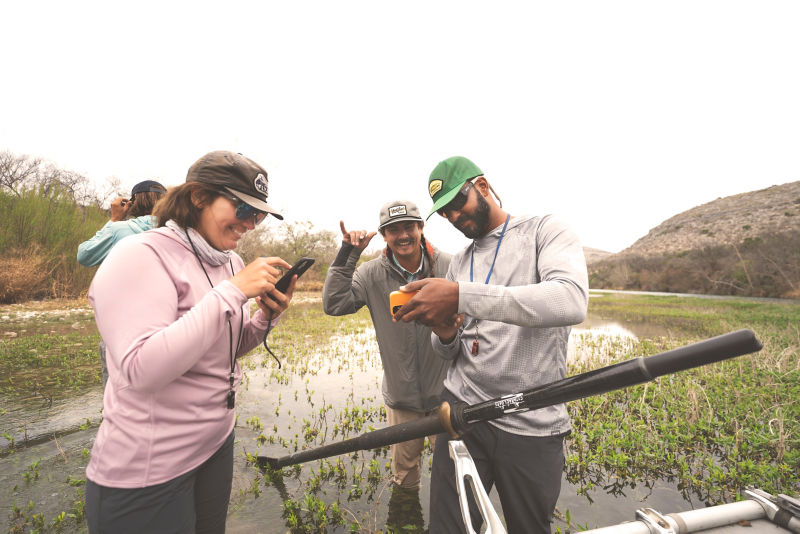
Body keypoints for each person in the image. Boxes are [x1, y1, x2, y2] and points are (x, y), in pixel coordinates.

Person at [84, 151, 295, 534]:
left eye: (259, 215)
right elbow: (141, 370)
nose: (250, 223)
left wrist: (266, 315)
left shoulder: (230, 262)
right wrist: (231, 293)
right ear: (198, 197)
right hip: (149, 471)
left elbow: (226, 348)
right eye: (244, 209)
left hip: (216, 445)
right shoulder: (139, 255)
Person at [393, 156, 589, 534]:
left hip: (531, 423)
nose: (453, 216)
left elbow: (570, 301)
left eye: (457, 203)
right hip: (463, 417)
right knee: (448, 528)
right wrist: (444, 332)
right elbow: (450, 351)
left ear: (482, 186)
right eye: (445, 212)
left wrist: (461, 295)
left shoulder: (545, 231)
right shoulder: (460, 261)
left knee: (529, 528)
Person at [322, 200, 452, 491]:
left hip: (447, 396)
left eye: (409, 226)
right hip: (401, 399)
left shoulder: (449, 266)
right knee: (405, 479)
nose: (402, 235)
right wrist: (348, 253)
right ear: (383, 235)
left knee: (455, 474)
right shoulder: (370, 274)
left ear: (421, 228)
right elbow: (334, 304)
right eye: (393, 230)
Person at [77, 179, 167, 388]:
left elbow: (85, 255)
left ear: (134, 202)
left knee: (117, 397)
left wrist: (115, 219)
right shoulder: (180, 231)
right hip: (169, 327)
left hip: (124, 330)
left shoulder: (121, 230)